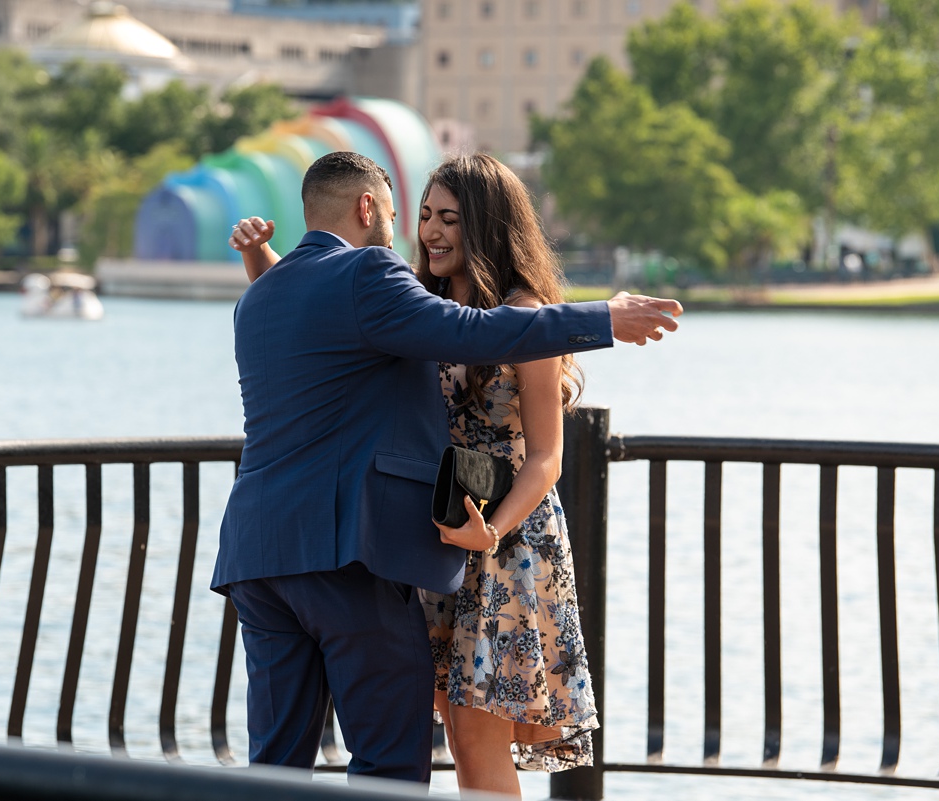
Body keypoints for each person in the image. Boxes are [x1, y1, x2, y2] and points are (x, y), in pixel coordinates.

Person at [212, 151, 680, 787]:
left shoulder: (265, 298)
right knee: (388, 764)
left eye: (445, 217)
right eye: (417, 214)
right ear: (369, 208)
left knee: (278, 767)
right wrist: (603, 318)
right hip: (364, 551)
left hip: (275, 553)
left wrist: (260, 263)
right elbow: (462, 331)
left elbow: (318, 315)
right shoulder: (381, 281)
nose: (424, 229)